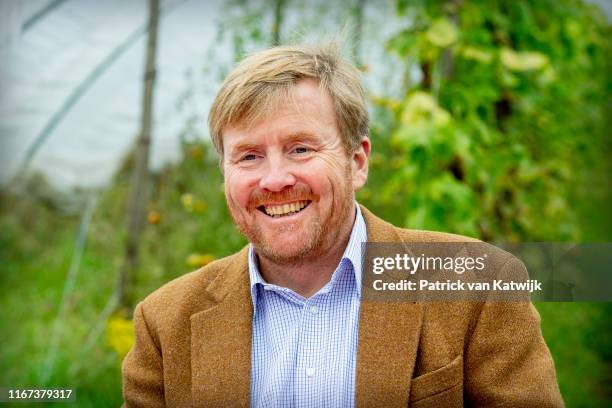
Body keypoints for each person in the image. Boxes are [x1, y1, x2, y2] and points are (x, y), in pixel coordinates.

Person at [122, 43, 563, 407]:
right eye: (249, 156)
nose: (275, 179)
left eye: (300, 148)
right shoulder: (165, 323)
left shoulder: (477, 286)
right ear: (225, 175)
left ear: (357, 162)